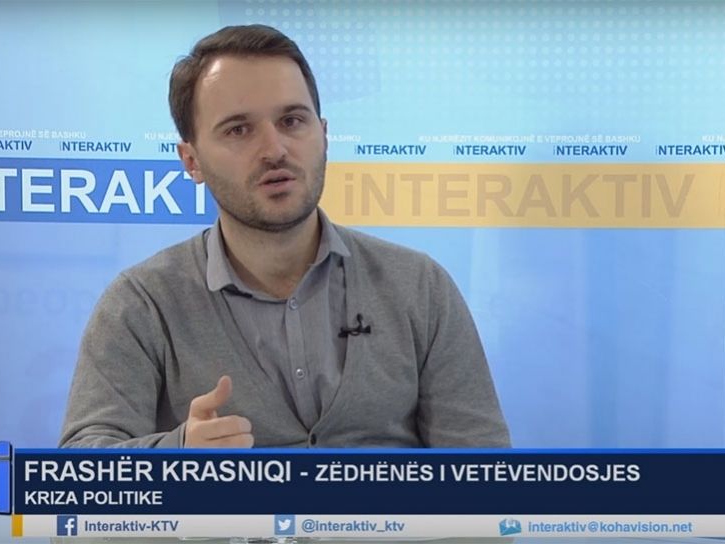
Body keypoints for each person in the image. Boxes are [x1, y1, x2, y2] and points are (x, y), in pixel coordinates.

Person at [60, 24, 510, 449]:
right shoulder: (142, 304)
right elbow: (81, 470)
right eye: (239, 130)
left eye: (292, 121)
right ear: (191, 161)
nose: (274, 150)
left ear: (324, 135)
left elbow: (486, 470)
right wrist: (175, 454)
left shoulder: (419, 286)